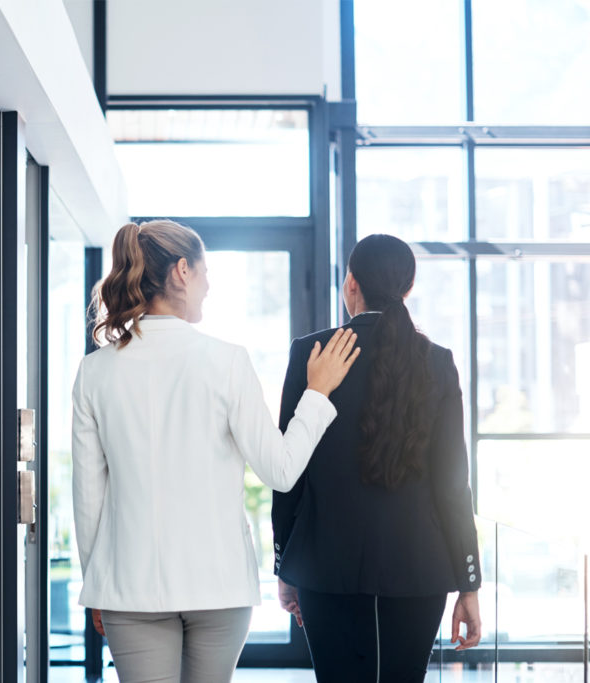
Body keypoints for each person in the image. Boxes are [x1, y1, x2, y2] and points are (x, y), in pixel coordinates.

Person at [71, 220, 360, 682]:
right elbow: (281, 471)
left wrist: (98, 582)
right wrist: (318, 393)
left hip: (127, 586)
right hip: (218, 585)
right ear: (182, 271)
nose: (209, 285)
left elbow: (88, 498)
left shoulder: (95, 371)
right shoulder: (227, 361)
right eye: (206, 272)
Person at [271, 234, 482, 682]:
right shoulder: (438, 361)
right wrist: (469, 582)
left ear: (351, 284)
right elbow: (452, 484)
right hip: (419, 568)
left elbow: (289, 471)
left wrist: (285, 564)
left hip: (322, 565)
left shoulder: (311, 352)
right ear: (408, 287)